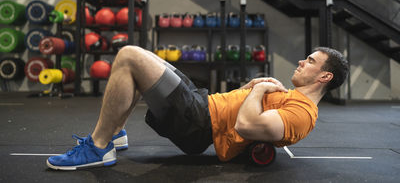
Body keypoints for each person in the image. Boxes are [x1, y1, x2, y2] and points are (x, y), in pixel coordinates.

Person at [46, 46, 349, 170]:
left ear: (325, 76)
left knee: (129, 56)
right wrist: (250, 89)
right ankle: (114, 133)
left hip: (200, 121)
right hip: (202, 102)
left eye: (310, 61)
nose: (301, 61)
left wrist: (258, 90)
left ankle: (98, 148)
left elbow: (245, 126)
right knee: (142, 64)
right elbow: (245, 111)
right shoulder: (293, 99)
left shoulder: (301, 114)